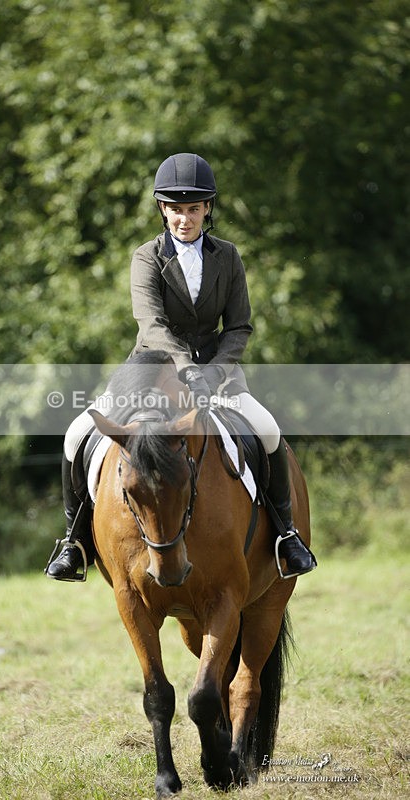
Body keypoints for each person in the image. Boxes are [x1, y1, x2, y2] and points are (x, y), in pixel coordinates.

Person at [45, 152, 316, 581]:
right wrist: (187, 368)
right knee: (78, 433)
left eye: (193, 208)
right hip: (151, 364)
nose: (184, 218)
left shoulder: (228, 256)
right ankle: (73, 541)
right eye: (175, 209)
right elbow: (151, 324)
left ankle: (286, 534)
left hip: (216, 367)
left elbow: (239, 325)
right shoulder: (146, 257)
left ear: (207, 209)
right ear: (162, 209)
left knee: (266, 429)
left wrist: (216, 371)